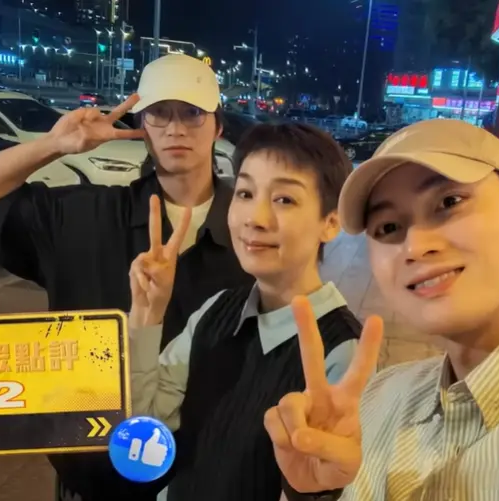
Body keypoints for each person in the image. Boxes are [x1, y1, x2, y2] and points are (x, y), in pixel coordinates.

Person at [0, 54, 253, 501]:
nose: (175, 128)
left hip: (208, 480)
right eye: (159, 113)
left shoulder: (252, 237)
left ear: (218, 126)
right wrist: (54, 144)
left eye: (192, 113)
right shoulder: (83, 217)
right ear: (141, 126)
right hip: (93, 476)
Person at [266, 119, 499, 500]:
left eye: (449, 203)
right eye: (388, 227)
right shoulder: (379, 397)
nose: (415, 247)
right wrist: (315, 492)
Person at [127, 123, 362, 501]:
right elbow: (147, 426)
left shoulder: (343, 351)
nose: (255, 218)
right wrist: (146, 316)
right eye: (245, 193)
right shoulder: (217, 310)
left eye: (284, 199)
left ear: (330, 223)